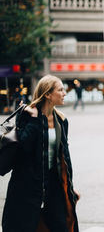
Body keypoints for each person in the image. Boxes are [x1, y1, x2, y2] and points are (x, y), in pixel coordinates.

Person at [2, 75, 80, 232]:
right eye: (60, 90)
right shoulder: (27, 115)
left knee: (61, 225)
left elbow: (62, 157)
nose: (64, 93)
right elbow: (24, 148)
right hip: (27, 185)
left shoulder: (61, 120)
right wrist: (35, 120)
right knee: (25, 225)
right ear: (48, 95)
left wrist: (69, 187)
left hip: (53, 184)